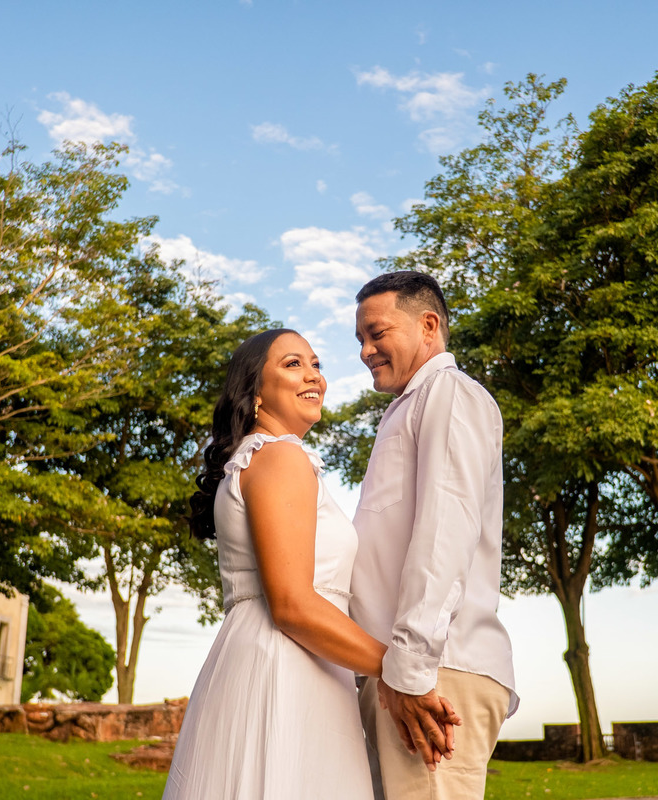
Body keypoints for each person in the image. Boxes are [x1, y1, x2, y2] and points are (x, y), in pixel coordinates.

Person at [162, 328, 457, 800]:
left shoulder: (259, 459)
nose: (314, 375)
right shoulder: (279, 457)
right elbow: (293, 604)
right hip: (285, 668)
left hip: (287, 661)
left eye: (316, 364)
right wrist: (400, 671)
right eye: (293, 364)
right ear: (256, 392)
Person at [352, 271, 518, 800]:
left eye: (376, 333)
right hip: (405, 672)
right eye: (360, 339)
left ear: (429, 325)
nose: (365, 350)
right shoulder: (409, 408)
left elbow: (445, 532)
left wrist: (410, 671)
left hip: (431, 671)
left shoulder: (450, 394)